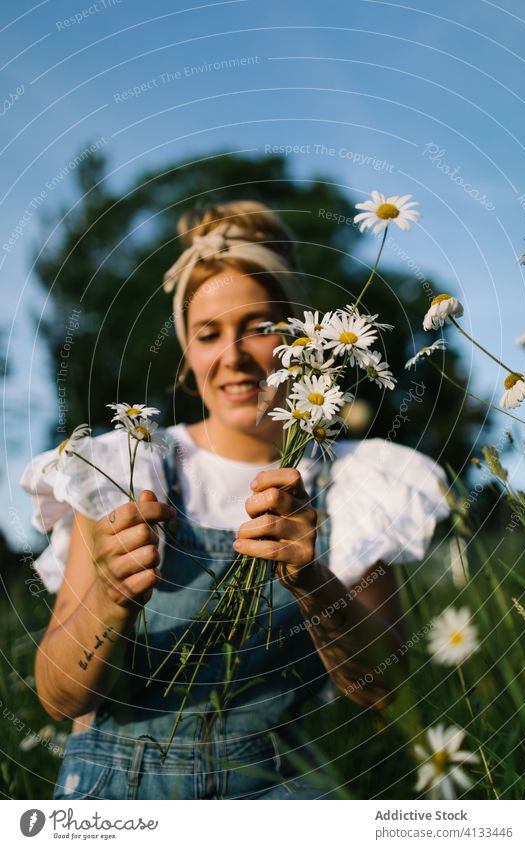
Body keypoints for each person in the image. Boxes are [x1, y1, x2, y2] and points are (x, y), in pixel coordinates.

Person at [21, 200, 450, 800]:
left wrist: (314, 582)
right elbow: (58, 695)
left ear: (303, 340)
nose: (233, 356)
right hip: (115, 792)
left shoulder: (349, 485)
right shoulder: (124, 468)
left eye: (259, 326)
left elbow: (384, 688)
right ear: (187, 356)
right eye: (208, 334)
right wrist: (112, 602)